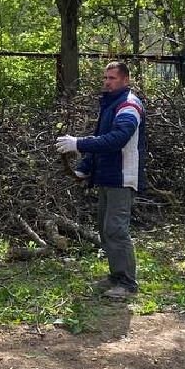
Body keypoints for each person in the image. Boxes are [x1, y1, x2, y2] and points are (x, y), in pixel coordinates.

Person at [55, 61, 145, 298]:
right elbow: (101, 139)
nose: (107, 82)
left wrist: (78, 143)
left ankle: (128, 284)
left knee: (116, 230)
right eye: (105, 78)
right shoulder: (109, 104)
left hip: (122, 176)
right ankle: (116, 276)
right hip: (107, 176)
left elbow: (117, 139)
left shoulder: (129, 105)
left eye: (112, 78)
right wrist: (83, 168)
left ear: (125, 80)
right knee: (106, 230)